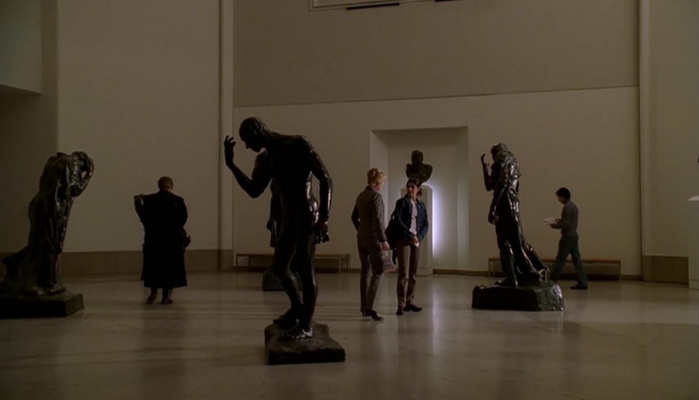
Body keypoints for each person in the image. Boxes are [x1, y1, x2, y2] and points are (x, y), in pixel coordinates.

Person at [224, 117, 332, 340]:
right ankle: (298, 308)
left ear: (257, 132)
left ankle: (306, 325)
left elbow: (325, 179)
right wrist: (231, 165)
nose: (247, 146)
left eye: (247, 140)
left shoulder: (297, 143)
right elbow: (254, 190)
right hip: (289, 215)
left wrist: (324, 218)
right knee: (279, 268)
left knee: (305, 269)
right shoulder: (265, 159)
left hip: (307, 213)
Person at [0, 151, 94, 299]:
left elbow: (43, 182)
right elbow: (74, 189)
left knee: (37, 244)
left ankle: (26, 273)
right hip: (51, 207)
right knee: (49, 247)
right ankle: (44, 283)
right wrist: (89, 175)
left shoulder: (54, 161)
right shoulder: (73, 163)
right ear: (83, 161)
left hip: (39, 203)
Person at [481, 143, 545, 287]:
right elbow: (490, 186)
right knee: (518, 244)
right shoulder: (514, 163)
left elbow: (501, 184)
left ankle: (515, 276)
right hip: (513, 209)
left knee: (505, 244)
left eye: (493, 154)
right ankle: (532, 273)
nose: (493, 158)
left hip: (504, 209)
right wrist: (484, 169)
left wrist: (492, 208)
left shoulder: (500, 161)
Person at [134, 176, 188, 305]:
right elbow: (183, 218)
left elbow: (142, 214)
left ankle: (153, 294)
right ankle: (166, 296)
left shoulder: (149, 200)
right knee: (170, 269)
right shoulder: (177, 200)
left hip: (154, 240)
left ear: (158, 186)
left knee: (154, 267)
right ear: (171, 186)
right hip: (171, 241)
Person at [351, 168, 389, 321]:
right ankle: (371, 307)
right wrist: (383, 239)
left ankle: (363, 307)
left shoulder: (361, 196)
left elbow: (353, 217)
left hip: (361, 238)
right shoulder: (376, 197)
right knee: (378, 271)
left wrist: (361, 229)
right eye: (382, 182)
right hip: (374, 239)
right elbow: (378, 221)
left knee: (365, 271)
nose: (382, 185)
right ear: (378, 182)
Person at [391, 178, 429, 315]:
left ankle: (410, 301)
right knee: (403, 272)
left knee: (413, 272)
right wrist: (410, 235)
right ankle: (400, 303)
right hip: (404, 240)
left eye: (413, 187)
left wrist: (419, 237)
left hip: (416, 241)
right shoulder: (401, 203)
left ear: (418, 189)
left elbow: (425, 224)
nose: (410, 189)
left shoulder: (421, 205)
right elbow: (398, 221)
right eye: (408, 186)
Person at [549, 187, 588, 290]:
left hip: (567, 237)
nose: (558, 199)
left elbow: (566, 224)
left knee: (560, 259)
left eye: (559, 197)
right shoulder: (574, 206)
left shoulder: (566, 208)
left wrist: (554, 225)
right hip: (574, 235)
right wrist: (560, 220)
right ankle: (583, 281)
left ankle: (552, 281)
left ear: (562, 196)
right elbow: (569, 221)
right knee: (577, 260)